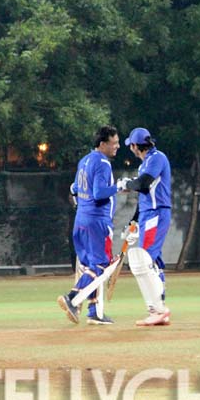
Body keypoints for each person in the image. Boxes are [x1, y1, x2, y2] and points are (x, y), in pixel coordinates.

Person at [57, 126, 121, 325]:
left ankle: (94, 311)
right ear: (102, 144)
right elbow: (100, 193)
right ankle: (73, 297)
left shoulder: (84, 161)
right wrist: (119, 187)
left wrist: (81, 206)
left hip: (81, 220)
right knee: (101, 265)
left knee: (89, 267)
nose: (117, 146)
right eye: (114, 143)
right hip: (97, 221)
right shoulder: (103, 163)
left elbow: (74, 189)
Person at [117, 127, 172, 326]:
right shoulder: (145, 164)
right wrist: (134, 221)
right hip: (150, 215)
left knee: (145, 260)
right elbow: (144, 196)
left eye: (130, 145)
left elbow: (143, 184)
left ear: (134, 146)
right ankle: (158, 307)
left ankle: (158, 309)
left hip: (157, 214)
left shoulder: (156, 158)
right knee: (152, 261)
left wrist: (126, 184)